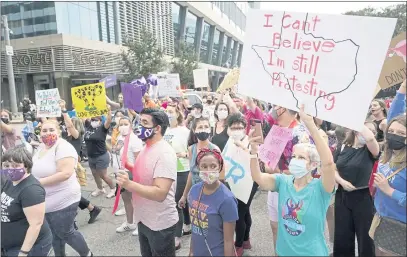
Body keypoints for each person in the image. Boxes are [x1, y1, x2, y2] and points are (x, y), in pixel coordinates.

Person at [250, 104, 336, 256]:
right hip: (283, 252)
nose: (296, 161)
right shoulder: (283, 182)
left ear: (313, 164)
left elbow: (328, 164)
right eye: (294, 156)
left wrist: (310, 125)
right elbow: (258, 177)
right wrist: (252, 153)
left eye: (302, 158)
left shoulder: (321, 189)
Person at [116, 108, 178, 257]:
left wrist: (129, 184)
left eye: (144, 122)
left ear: (157, 128)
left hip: (159, 224)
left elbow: (160, 193)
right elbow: (145, 172)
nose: (139, 126)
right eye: (139, 121)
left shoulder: (164, 153)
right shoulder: (147, 147)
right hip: (144, 218)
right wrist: (129, 167)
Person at [31, 120, 93, 257]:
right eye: (44, 130)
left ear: (59, 131)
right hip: (45, 200)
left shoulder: (63, 147)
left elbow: (65, 173)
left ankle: (87, 254)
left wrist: (37, 183)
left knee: (66, 232)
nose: (48, 133)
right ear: (39, 132)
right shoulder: (41, 147)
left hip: (63, 199)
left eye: (51, 130)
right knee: (54, 232)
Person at [265, 105, 313, 251]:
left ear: (283, 109)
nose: (273, 110)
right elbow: (267, 158)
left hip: (292, 189)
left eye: (276, 106)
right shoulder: (276, 129)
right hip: (275, 184)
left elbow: (306, 167)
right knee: (275, 227)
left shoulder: (300, 133)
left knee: (291, 230)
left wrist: (281, 171)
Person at [333, 121, 380, 257]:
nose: (369, 133)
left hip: (363, 197)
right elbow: (333, 168)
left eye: (372, 131)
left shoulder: (371, 151)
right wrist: (341, 181)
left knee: (365, 239)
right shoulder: (343, 147)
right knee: (342, 236)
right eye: (366, 129)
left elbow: (370, 138)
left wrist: (357, 117)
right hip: (342, 195)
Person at [372, 80, 406, 256]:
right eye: (392, 132)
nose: (394, 136)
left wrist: (389, 190)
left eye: (401, 134)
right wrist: (402, 88)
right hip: (381, 218)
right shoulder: (389, 153)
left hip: (400, 226)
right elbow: (395, 114)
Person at [1, 146, 52, 257]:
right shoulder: (10, 181)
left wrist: (23, 253)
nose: (10, 169)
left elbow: (35, 224)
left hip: (29, 248)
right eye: (6, 165)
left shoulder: (31, 190)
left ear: (26, 166)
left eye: (15, 165)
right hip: (9, 245)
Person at [188, 148, 238, 256]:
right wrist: (191, 251)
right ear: (198, 168)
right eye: (204, 166)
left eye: (213, 166)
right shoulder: (194, 191)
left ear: (219, 167)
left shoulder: (227, 200)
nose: (208, 170)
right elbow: (195, 226)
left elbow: (229, 241)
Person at [58, 100, 102, 224]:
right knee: (68, 192)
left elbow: (70, 126)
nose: (66, 126)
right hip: (63, 166)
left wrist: (64, 110)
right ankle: (92, 209)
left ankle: (77, 214)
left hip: (71, 167)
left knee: (67, 191)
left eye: (68, 125)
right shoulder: (65, 136)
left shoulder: (76, 135)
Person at [225, 113, 259, 256]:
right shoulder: (229, 141)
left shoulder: (250, 140)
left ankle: (238, 245)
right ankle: (245, 239)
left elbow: (255, 156)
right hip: (234, 182)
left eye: (240, 127)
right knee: (245, 212)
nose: (237, 130)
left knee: (239, 213)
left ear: (245, 128)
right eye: (234, 128)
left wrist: (244, 146)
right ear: (229, 129)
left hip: (250, 182)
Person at [164, 104, 191, 249]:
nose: (168, 114)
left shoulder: (184, 131)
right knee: (181, 200)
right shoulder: (164, 130)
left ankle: (176, 236)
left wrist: (185, 154)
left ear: (177, 114)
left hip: (182, 169)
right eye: (166, 112)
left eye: (171, 112)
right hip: (169, 169)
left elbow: (193, 148)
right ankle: (187, 224)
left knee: (177, 201)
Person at [178, 117, 221, 209]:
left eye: (206, 126)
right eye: (200, 127)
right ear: (194, 130)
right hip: (195, 192)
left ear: (210, 129)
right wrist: (184, 195)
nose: (203, 129)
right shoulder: (191, 149)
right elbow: (191, 173)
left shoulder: (214, 149)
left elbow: (220, 175)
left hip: (211, 193)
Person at [112, 116, 143, 235]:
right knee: (126, 199)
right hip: (120, 173)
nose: (123, 126)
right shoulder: (120, 137)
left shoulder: (134, 140)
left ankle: (140, 224)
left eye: (126, 124)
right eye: (121, 124)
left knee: (136, 200)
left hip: (130, 173)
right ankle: (130, 223)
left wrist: (136, 175)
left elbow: (138, 159)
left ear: (131, 125)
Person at [84, 110, 116, 198]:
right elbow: (82, 115)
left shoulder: (102, 128)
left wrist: (109, 111)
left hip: (101, 156)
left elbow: (109, 120)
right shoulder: (88, 126)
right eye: (93, 119)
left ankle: (113, 189)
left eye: (96, 119)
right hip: (91, 156)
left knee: (103, 175)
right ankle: (100, 188)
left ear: (100, 121)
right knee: (94, 174)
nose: (94, 121)